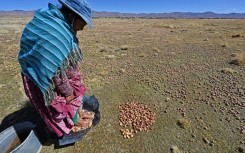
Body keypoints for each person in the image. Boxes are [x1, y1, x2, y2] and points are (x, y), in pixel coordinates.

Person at [18, 0, 96, 138]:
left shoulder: (52, 21)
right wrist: (68, 93)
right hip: (43, 78)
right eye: (82, 24)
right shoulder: (55, 30)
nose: (82, 29)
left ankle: (74, 116)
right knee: (58, 107)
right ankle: (69, 125)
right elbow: (55, 71)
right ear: (72, 16)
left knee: (70, 100)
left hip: (48, 73)